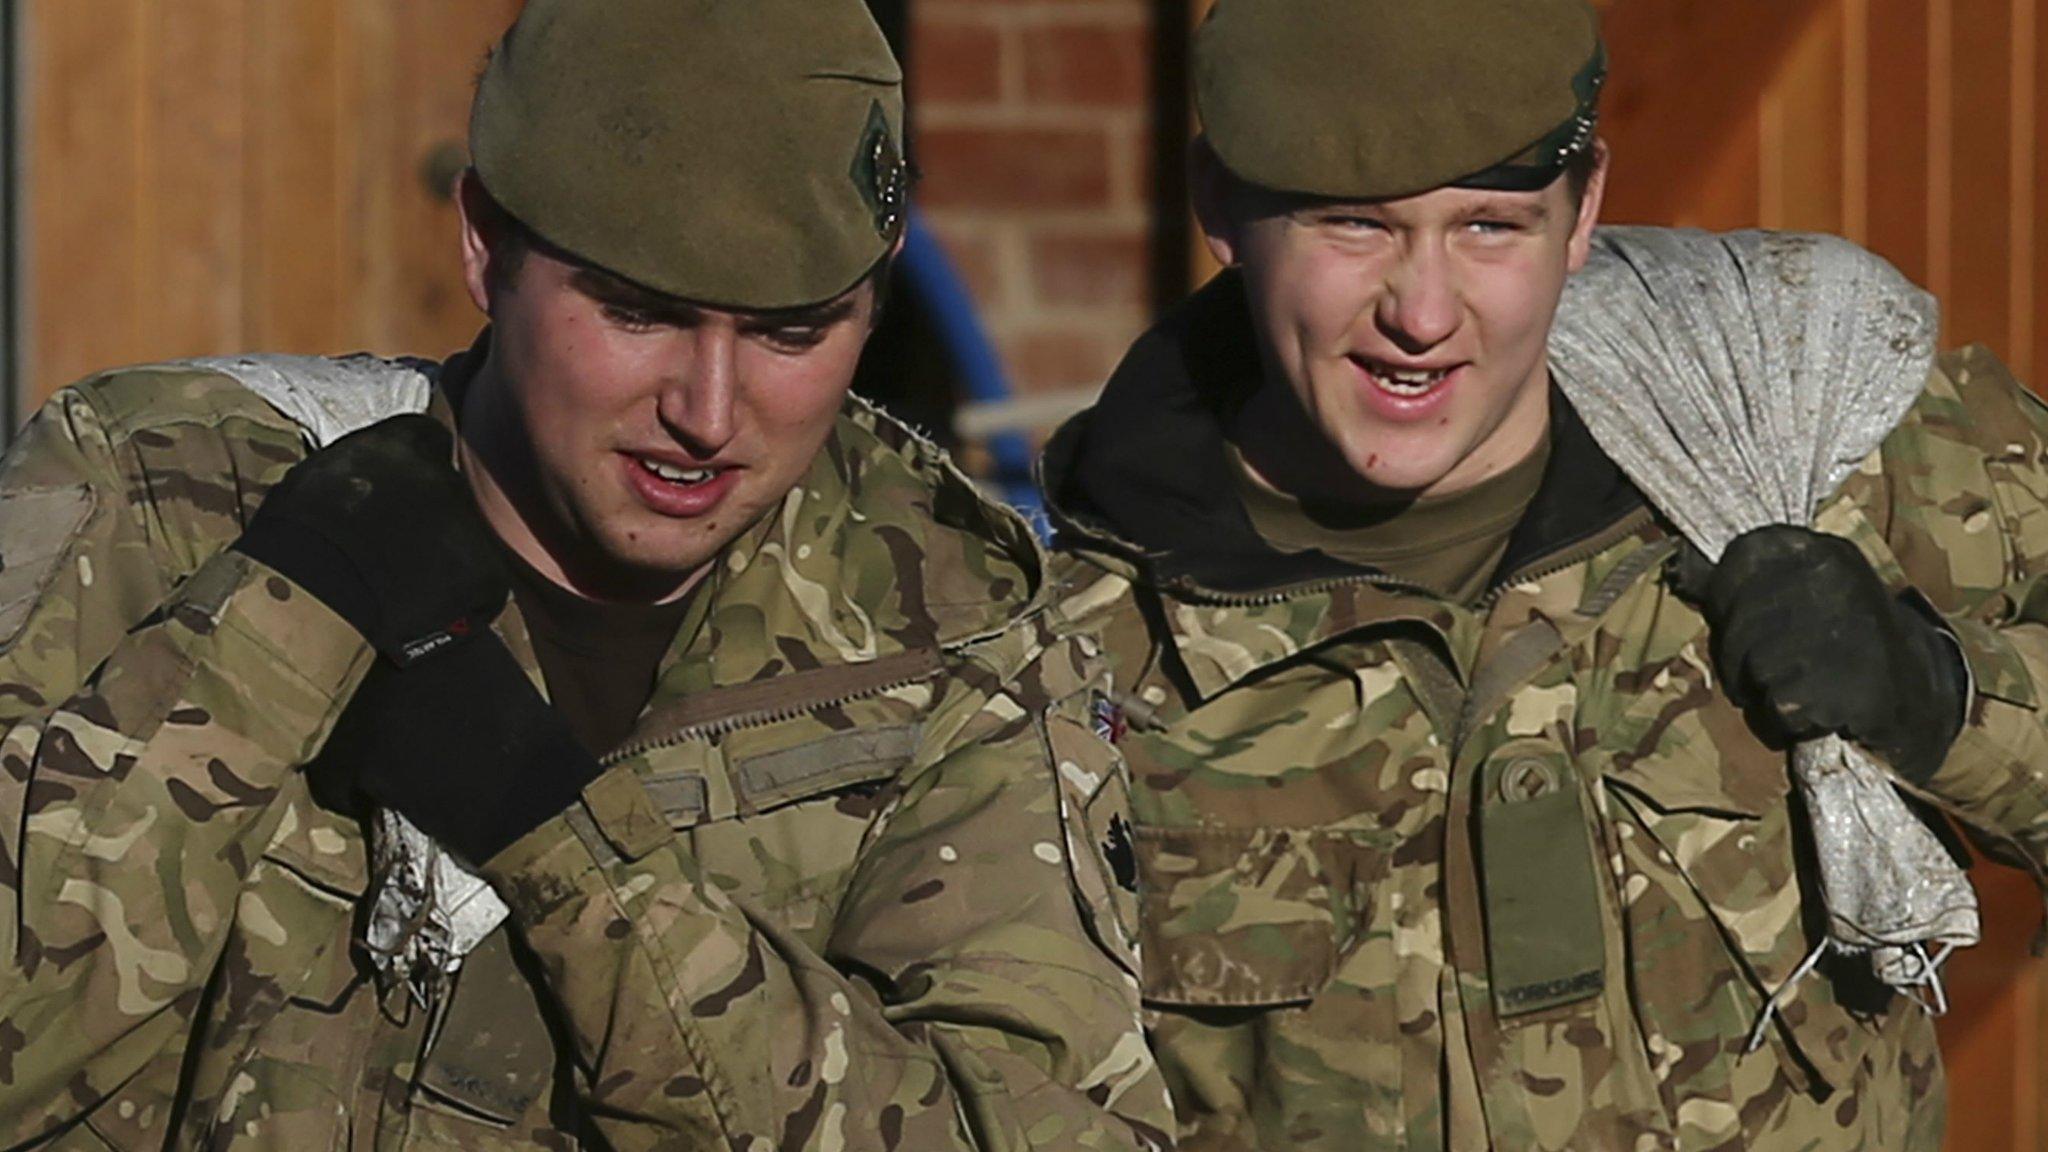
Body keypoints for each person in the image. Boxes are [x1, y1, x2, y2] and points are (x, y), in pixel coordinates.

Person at [0, 1, 1171, 1147]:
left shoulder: (952, 638)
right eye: (637, 313)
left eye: (790, 334)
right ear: (483, 242)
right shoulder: (164, 498)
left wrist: (574, 863)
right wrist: (265, 642)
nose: (706, 416)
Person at [1038, 0, 2048, 1148]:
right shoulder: (1064, 657)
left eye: (1489, 226)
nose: (1418, 315)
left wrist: (1943, 702)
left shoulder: (1811, 447)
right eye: (1352, 226)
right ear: (1218, 206)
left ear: (1583, 212)